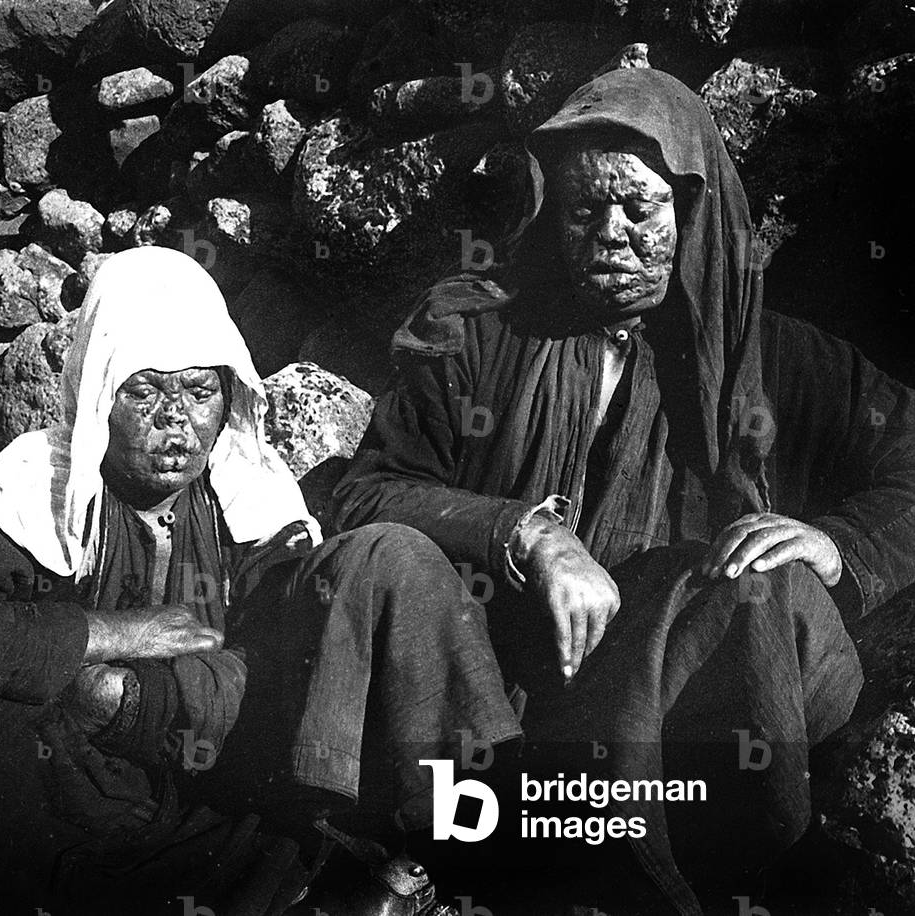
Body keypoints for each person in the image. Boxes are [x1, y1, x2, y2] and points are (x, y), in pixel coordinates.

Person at [330, 68, 915, 914]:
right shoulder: (480, 340)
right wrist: (527, 532)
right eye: (583, 210)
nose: (609, 234)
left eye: (639, 209)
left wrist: (839, 544)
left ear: (692, 214)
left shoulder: (780, 362)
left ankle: (678, 869)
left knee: (758, 589)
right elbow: (367, 495)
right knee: (386, 558)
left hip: (681, 707)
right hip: (494, 697)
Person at [0, 247, 523, 916]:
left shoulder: (248, 493)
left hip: (207, 794)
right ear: (100, 393)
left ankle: (443, 851)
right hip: (58, 799)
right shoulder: (34, 487)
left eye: (199, 391)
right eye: (144, 391)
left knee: (389, 556)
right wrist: (110, 633)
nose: (176, 418)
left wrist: (140, 697)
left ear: (228, 398)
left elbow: (294, 662)